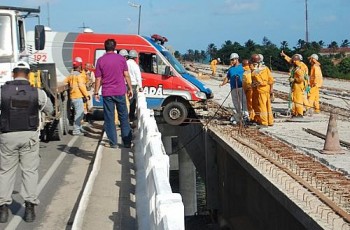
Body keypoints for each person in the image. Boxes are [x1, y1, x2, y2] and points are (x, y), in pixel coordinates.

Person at [0, 61, 53, 223]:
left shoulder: (2, 92)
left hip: (7, 136)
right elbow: (49, 109)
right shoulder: (37, 92)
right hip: (29, 136)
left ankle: (3, 209)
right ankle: (29, 209)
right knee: (29, 171)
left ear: (13, 74)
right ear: (29, 74)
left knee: (5, 171)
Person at [94, 39, 133, 148]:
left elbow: (98, 78)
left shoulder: (100, 60)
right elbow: (126, 75)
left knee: (109, 118)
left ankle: (113, 143)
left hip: (107, 93)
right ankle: (127, 142)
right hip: (120, 91)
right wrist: (130, 88)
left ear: (105, 47)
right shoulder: (121, 59)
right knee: (124, 117)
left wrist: (96, 92)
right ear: (115, 47)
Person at [219, 53, 248, 124]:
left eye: (232, 60)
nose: (231, 61)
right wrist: (223, 83)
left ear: (237, 59)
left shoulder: (242, 67)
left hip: (241, 87)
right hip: (233, 88)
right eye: (231, 60)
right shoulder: (231, 69)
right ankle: (239, 115)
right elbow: (227, 77)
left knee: (244, 101)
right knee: (236, 102)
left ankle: (246, 115)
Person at [64, 61, 90, 135]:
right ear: (79, 67)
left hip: (73, 96)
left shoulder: (71, 75)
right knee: (79, 114)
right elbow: (82, 86)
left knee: (77, 113)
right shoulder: (79, 75)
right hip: (78, 96)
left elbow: (65, 82)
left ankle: (79, 127)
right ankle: (76, 130)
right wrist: (86, 95)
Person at [280, 51, 308, 117]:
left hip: (299, 84)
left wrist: (294, 79)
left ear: (297, 60)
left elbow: (301, 78)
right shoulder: (297, 64)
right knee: (295, 98)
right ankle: (295, 112)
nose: (293, 62)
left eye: (294, 61)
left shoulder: (301, 67)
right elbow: (290, 60)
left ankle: (299, 113)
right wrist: (284, 56)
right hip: (296, 84)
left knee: (298, 99)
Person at [250, 54, 274, 127]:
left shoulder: (256, 71)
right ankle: (270, 121)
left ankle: (264, 122)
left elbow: (258, 80)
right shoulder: (266, 68)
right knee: (268, 106)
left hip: (261, 90)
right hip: (266, 89)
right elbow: (271, 79)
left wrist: (253, 71)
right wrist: (271, 89)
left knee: (262, 106)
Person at [127, 49, 143, 121]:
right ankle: (131, 117)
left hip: (125, 84)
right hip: (133, 85)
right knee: (132, 102)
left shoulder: (125, 63)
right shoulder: (135, 65)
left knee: (126, 102)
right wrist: (140, 87)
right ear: (135, 57)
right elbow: (138, 77)